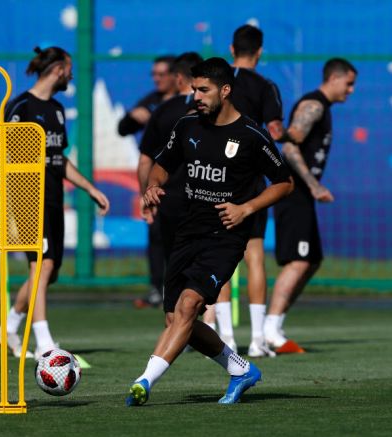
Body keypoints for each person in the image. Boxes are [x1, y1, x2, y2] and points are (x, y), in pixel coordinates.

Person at [126, 57, 293, 406]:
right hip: (187, 232)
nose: (196, 96)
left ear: (225, 90)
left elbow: (284, 183)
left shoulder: (250, 135)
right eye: (193, 89)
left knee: (189, 306)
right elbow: (161, 165)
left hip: (226, 236)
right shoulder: (187, 126)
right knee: (176, 318)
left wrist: (246, 208)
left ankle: (144, 382)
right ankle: (240, 369)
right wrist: (153, 187)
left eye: (204, 90)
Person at [0, 46, 110, 358]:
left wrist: (90, 189)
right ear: (59, 69)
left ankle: (8, 328)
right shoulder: (20, 107)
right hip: (27, 197)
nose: (71, 74)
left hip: (53, 196)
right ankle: (44, 341)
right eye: (69, 68)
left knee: (50, 270)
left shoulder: (57, 110)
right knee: (41, 265)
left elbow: (58, 160)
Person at [264, 58, 357, 353]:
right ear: (333, 78)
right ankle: (270, 330)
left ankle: (276, 324)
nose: (351, 90)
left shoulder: (323, 109)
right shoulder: (313, 105)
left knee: (312, 260)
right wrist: (314, 185)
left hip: (302, 194)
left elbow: (293, 136)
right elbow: (289, 146)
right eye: (349, 83)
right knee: (299, 260)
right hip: (293, 191)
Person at [209, 24, 289, 357]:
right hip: (252, 182)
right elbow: (274, 131)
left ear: (231, 49)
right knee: (254, 255)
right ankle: (257, 340)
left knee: (222, 257)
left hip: (215, 180)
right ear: (259, 52)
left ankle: (227, 337)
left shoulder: (217, 85)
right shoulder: (265, 86)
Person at [137, 52, 202, 304]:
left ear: (178, 78)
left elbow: (145, 161)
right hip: (207, 198)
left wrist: (147, 195)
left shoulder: (163, 110)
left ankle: (178, 329)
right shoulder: (211, 112)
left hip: (169, 200)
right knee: (205, 265)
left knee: (174, 267)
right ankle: (211, 328)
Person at [118, 55, 177, 308]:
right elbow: (123, 128)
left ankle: (179, 286)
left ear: (177, 76)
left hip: (184, 178)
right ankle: (157, 287)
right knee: (156, 235)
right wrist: (133, 117)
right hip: (157, 179)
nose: (157, 79)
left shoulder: (188, 102)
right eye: (154, 74)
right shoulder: (152, 102)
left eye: (162, 74)